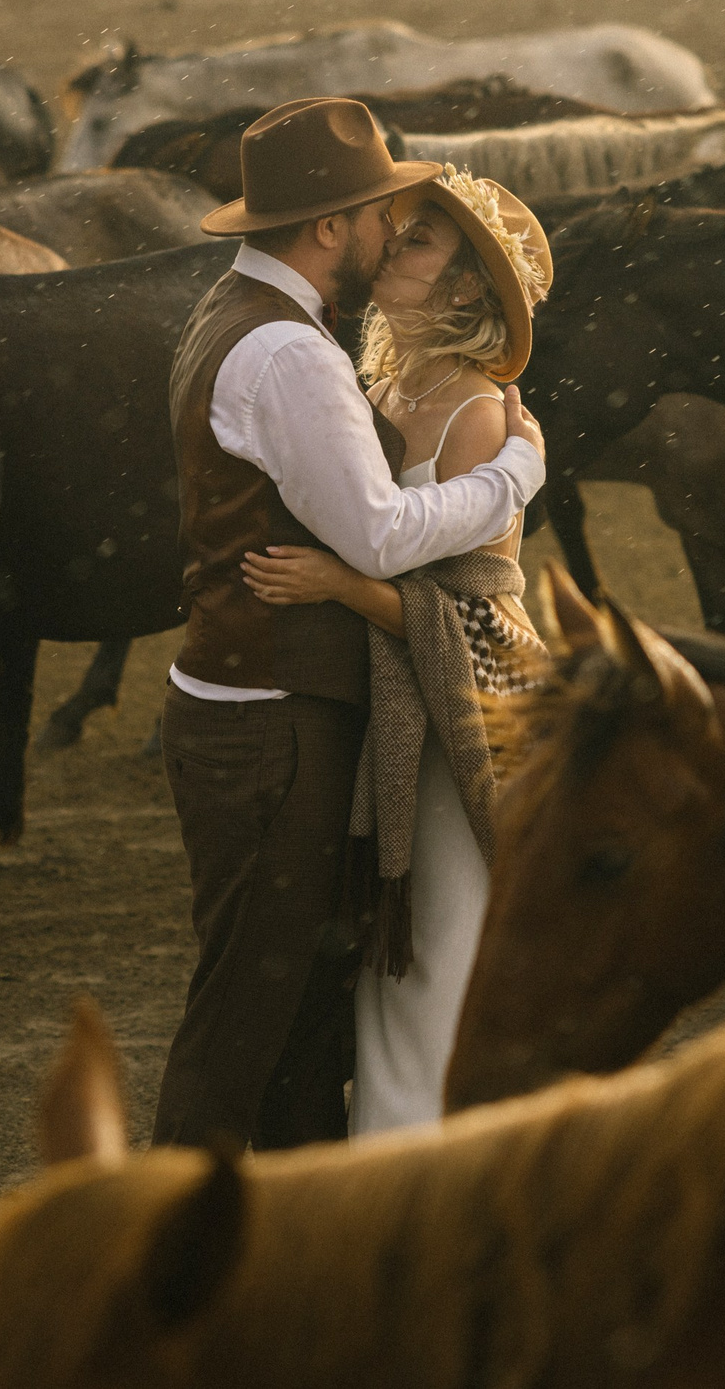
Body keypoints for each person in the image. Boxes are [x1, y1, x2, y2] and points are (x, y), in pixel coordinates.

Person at [154, 97, 545, 1150]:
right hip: (275, 719)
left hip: (294, 708)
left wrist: (355, 579)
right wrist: (517, 474)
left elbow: (448, 583)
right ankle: (175, 1228)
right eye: (384, 216)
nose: (389, 231)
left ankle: (313, 1201)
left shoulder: (239, 313)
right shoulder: (295, 356)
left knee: (300, 1006)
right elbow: (380, 536)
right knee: (252, 1013)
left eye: (412, 231)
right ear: (331, 226)